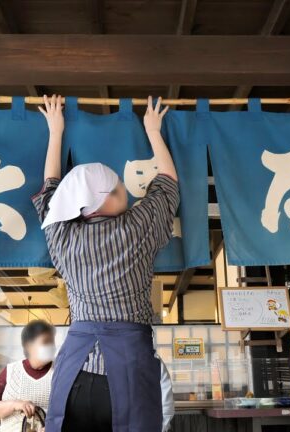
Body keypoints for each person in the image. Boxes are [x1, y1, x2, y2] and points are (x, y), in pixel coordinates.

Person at [32, 95, 179, 431]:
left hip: (75, 374)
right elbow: (168, 183)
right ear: (105, 198)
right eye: (119, 187)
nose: (126, 191)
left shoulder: (60, 235)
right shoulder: (137, 227)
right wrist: (153, 130)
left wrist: (56, 131)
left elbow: (51, 190)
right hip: (127, 369)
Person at [0, 320, 57, 432]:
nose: (51, 347)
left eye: (52, 342)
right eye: (46, 342)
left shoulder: (59, 372)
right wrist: (15, 404)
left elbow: (71, 411)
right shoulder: (12, 370)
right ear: (29, 346)